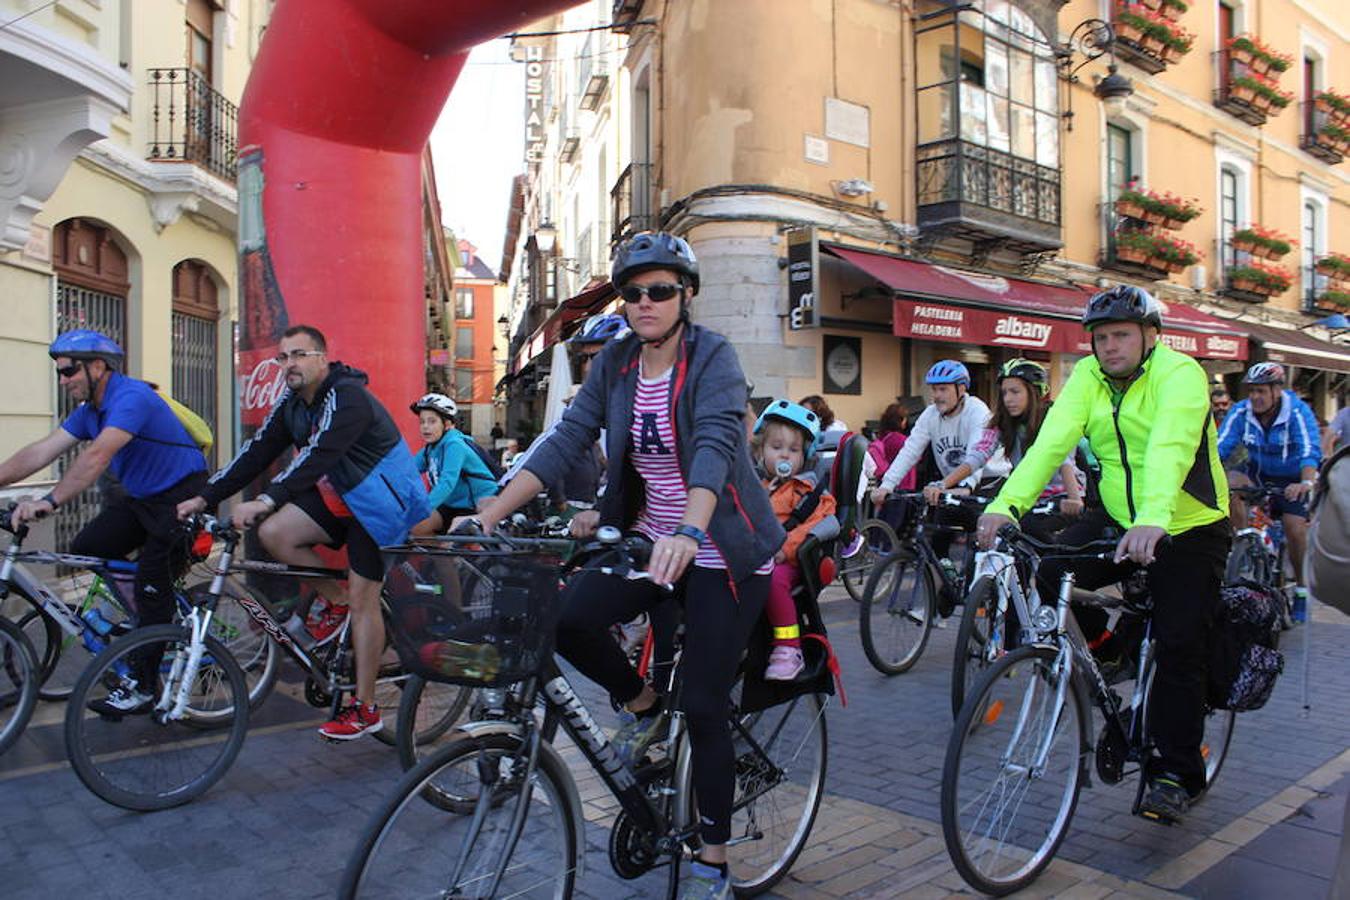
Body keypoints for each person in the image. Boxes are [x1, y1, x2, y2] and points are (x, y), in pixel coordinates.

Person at [459, 231, 783, 900]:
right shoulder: (616, 363)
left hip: (720, 549)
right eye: (633, 292)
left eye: (660, 290)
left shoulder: (713, 357)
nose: (645, 302)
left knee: (702, 705)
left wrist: (691, 529)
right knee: (565, 620)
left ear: (686, 295)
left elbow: (717, 447)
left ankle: (714, 862)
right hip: (647, 540)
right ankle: (642, 705)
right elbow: (565, 439)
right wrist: (487, 513)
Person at [975, 285, 1231, 827]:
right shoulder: (1087, 379)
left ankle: (1174, 773)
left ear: (1150, 336)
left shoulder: (1179, 375)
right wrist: (1007, 506)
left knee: (1180, 647)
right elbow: (1049, 444)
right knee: (1046, 568)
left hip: (1187, 525)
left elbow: (1170, 446)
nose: (1109, 347)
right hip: (1118, 516)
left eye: (1121, 335)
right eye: (1100, 338)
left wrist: (1154, 518)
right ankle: (1108, 647)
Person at [177, 325, 429, 740]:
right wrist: (205, 497)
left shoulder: (347, 397)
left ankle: (365, 708)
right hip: (339, 497)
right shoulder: (292, 403)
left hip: (379, 506)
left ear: (322, 358)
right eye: (283, 357)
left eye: (298, 355)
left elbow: (318, 454)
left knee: (365, 597)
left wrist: (266, 499)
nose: (288, 365)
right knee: (275, 534)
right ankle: (336, 601)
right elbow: (256, 451)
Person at [0, 330, 209, 714]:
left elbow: (97, 456)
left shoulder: (131, 397)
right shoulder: (89, 411)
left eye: (69, 371)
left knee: (151, 582)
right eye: (60, 374)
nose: (63, 381)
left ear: (98, 367)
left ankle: (144, 685)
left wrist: (50, 500)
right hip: (142, 496)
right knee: (86, 549)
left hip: (180, 495)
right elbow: (42, 451)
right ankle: (146, 613)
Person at [870, 360, 992, 609]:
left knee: (983, 544)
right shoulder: (930, 415)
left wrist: (966, 486)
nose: (936, 395)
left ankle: (981, 594)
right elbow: (910, 450)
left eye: (943, 389)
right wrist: (887, 485)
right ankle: (942, 597)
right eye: (934, 389)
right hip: (949, 485)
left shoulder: (977, 411)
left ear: (961, 389)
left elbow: (977, 457)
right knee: (937, 541)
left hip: (987, 481)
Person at [1217, 362, 1322, 622]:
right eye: (1251, 391)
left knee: (1294, 528)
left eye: (1261, 391)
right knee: (1228, 484)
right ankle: (1243, 543)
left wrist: (1305, 483)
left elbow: (1310, 451)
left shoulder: (1297, 411)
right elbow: (1219, 446)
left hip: (1292, 478)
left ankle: (1300, 590)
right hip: (1256, 473)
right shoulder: (1241, 412)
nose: (1255, 397)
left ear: (1277, 391)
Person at [946, 359, 1085, 540]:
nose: (1008, 399)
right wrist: (943, 485)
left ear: (1034, 392)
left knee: (1029, 529)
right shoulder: (1002, 422)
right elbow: (978, 455)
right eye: (1004, 393)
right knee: (987, 527)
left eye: (1015, 392)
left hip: (1061, 494)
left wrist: (1074, 500)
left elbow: (1063, 460)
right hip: (1024, 495)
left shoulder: (1053, 418)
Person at [752, 399, 837, 682]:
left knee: (773, 579)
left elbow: (818, 523)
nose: (784, 456)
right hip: (753, 555)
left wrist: (782, 549)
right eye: (776, 448)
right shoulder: (756, 488)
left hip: (788, 561)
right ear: (761, 451)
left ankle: (789, 648)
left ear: (805, 455)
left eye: (793, 450)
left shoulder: (807, 490)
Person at [409, 393, 497, 536]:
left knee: (451, 540)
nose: (425, 427)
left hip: (476, 505)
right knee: (418, 526)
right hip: (451, 505)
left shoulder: (454, 444)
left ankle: (445, 557)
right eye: (422, 421)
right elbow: (407, 471)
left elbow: (447, 482)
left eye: (432, 421)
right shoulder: (430, 449)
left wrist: (423, 507)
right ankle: (434, 558)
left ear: (447, 424)